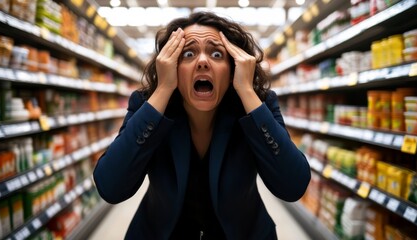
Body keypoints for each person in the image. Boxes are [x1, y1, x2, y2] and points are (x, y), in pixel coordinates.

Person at [93, 11, 311, 240]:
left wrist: (247, 91)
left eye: (217, 53)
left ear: (233, 69)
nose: (203, 61)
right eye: (188, 53)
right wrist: (163, 89)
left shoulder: (257, 106)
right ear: (173, 67)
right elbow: (111, 187)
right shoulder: (148, 107)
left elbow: (293, 186)